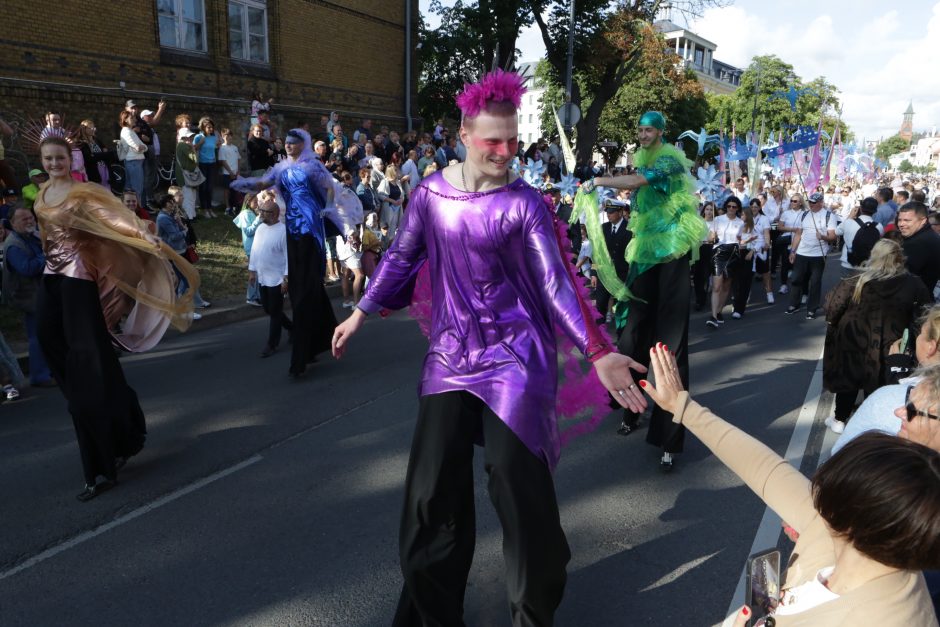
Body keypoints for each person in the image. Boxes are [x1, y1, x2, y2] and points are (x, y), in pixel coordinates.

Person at [331, 69, 647, 627]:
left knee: (514, 485)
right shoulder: (430, 193)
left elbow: (554, 284)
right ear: (464, 135)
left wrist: (598, 352)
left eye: (512, 142)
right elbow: (403, 256)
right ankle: (433, 616)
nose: (505, 153)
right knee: (430, 496)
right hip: (451, 354)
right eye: (492, 142)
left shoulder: (524, 203)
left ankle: (532, 611)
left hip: (516, 358)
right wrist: (359, 312)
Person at [642, 343, 940, 627]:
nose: (815, 494)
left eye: (828, 485)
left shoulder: (885, 613)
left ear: (848, 513)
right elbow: (768, 470)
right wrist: (684, 406)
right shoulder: (858, 543)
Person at [34, 136, 197, 501]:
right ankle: (100, 403)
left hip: (77, 280)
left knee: (89, 366)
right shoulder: (42, 193)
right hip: (51, 277)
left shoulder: (81, 194)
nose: (54, 163)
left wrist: (140, 232)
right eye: (49, 158)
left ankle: (101, 452)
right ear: (42, 160)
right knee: (47, 337)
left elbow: (113, 219)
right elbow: (46, 235)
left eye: (60, 157)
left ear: (69, 159)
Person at [581, 111, 707, 468]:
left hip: (672, 249)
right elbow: (637, 194)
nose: (643, 133)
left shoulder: (668, 158)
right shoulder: (641, 155)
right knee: (633, 331)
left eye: (648, 128)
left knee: (670, 343)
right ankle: (630, 407)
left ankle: (669, 435)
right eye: (639, 128)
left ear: (661, 131)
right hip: (647, 249)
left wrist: (601, 181)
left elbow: (639, 181)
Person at [231, 128, 355, 378]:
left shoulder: (313, 166)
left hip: (310, 226)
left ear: (303, 144)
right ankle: (317, 341)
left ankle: (300, 357)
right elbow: (262, 183)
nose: (287, 146)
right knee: (305, 290)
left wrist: (327, 210)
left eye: (293, 143)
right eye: (286, 143)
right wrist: (238, 182)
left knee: (305, 292)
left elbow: (330, 189)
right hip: (293, 229)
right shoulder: (281, 168)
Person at [822, 239, 931, 434]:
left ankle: (839, 418)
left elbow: (832, 305)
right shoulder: (913, 282)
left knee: (849, 377)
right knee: (880, 380)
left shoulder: (857, 278)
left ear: (874, 256)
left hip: (854, 337)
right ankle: (871, 419)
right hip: (890, 340)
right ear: (900, 258)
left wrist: (833, 322)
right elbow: (925, 311)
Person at [2, 206, 55, 387]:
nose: (29, 221)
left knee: (47, 333)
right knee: (37, 336)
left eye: (30, 217)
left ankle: (50, 370)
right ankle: (40, 375)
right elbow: (27, 268)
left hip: (41, 292)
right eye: (24, 219)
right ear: (13, 223)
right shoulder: (13, 245)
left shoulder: (33, 235)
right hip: (28, 297)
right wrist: (45, 255)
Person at [785, 192, 838, 319]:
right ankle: (794, 304)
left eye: (814, 202)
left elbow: (833, 236)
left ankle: (812, 308)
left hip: (818, 254)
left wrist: (823, 236)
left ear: (821, 203)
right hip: (802, 252)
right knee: (796, 279)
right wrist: (793, 251)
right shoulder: (804, 214)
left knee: (815, 282)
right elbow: (798, 234)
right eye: (810, 202)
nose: (811, 204)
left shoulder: (829, 216)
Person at [249, 200, 291, 357]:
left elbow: (288, 257)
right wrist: (252, 270)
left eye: (263, 212)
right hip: (263, 276)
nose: (260, 214)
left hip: (277, 279)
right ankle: (292, 328)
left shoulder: (283, 231)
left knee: (275, 312)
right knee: (269, 309)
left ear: (273, 214)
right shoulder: (260, 228)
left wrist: (286, 278)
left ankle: (272, 344)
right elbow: (255, 250)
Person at [706, 196, 745, 328]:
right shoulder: (717, 220)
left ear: (737, 208)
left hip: (733, 253)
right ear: (726, 207)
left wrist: (745, 242)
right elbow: (710, 237)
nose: (731, 209)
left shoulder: (741, 223)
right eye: (729, 206)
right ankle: (713, 316)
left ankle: (719, 311)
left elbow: (742, 240)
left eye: (734, 207)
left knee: (726, 286)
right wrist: (713, 235)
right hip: (719, 252)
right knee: (717, 286)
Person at [594, 201, 630, 326]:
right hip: (605, 274)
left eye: (612, 212)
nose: (608, 215)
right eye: (607, 212)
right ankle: (600, 335)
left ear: (620, 212)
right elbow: (597, 252)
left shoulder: (630, 228)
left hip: (622, 273)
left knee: (622, 304)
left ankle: (622, 333)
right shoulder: (604, 228)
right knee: (600, 305)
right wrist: (594, 272)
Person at [897, 201, 940, 294]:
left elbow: (903, 277)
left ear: (923, 221)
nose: (901, 224)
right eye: (899, 220)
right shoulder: (929, 235)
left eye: (907, 220)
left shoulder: (918, 243)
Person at [836, 197, 883, 276]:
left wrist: (850, 216)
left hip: (848, 262)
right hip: (867, 264)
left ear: (861, 208)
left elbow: (837, 232)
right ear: (875, 211)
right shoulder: (879, 226)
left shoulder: (848, 223)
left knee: (845, 287)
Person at [118, 110, 147, 204]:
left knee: (130, 189)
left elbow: (144, 147)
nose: (134, 119)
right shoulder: (127, 131)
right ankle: (137, 212)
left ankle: (132, 212)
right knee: (136, 189)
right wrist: (141, 147)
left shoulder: (130, 131)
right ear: (125, 120)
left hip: (134, 162)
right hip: (134, 162)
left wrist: (142, 147)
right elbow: (138, 147)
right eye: (132, 118)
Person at [193, 117, 220, 218]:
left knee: (210, 187)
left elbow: (217, 145)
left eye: (211, 127)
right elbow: (194, 148)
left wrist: (218, 143)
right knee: (203, 187)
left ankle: (210, 208)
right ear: (203, 127)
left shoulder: (213, 138)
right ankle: (204, 209)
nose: (210, 129)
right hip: (202, 164)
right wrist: (200, 142)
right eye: (208, 127)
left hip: (212, 164)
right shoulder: (198, 137)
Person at [692, 202, 715, 311]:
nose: (709, 211)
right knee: (697, 276)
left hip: (710, 249)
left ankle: (702, 299)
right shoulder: (698, 222)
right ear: (704, 210)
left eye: (711, 209)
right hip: (698, 249)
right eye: (707, 209)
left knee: (705, 275)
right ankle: (698, 298)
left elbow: (713, 238)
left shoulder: (716, 223)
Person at [174, 129, 201, 220]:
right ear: (184, 137)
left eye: (190, 137)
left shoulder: (182, 145)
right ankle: (189, 217)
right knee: (188, 196)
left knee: (191, 196)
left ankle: (192, 215)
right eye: (189, 137)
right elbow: (195, 159)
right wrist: (193, 148)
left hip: (188, 175)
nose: (190, 138)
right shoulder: (183, 145)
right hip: (185, 176)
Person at [218, 128, 241, 216]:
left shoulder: (235, 147)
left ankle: (234, 207)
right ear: (223, 137)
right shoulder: (222, 148)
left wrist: (238, 170)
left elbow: (238, 159)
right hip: (227, 173)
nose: (229, 137)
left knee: (235, 190)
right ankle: (227, 207)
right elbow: (223, 161)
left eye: (230, 135)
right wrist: (230, 172)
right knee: (227, 190)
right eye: (226, 136)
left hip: (235, 173)